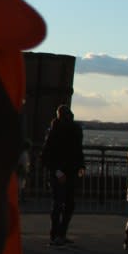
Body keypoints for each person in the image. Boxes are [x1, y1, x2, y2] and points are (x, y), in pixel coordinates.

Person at [40, 104, 85, 246]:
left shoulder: (54, 131)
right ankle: (60, 234)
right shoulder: (75, 131)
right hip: (69, 171)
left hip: (61, 172)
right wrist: (81, 166)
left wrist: (57, 171)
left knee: (60, 204)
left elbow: (45, 156)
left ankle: (56, 234)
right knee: (67, 204)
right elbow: (78, 151)